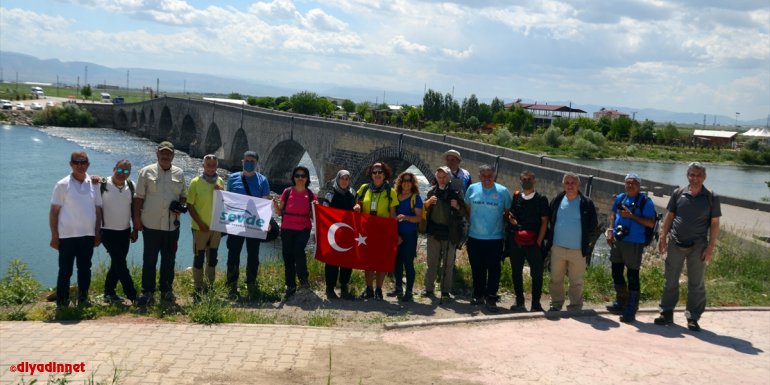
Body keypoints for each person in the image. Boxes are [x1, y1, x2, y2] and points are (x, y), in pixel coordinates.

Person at [655, 162, 721, 331]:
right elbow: (669, 217)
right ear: (687, 176)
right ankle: (666, 312)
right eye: (692, 174)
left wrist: (710, 248)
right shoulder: (678, 193)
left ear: (704, 177)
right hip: (676, 243)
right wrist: (663, 237)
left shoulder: (711, 197)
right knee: (670, 279)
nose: (695, 178)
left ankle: (693, 316)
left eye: (698, 175)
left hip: (698, 246)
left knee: (696, 283)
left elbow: (714, 224)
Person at [133, 141, 187, 306]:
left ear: (173, 156)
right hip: (151, 224)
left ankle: (166, 290)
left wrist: (180, 206)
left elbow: (183, 195)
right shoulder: (146, 172)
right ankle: (148, 292)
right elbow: (138, 198)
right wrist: (136, 220)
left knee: (169, 260)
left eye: (168, 153)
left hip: (172, 225)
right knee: (149, 260)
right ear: (157, 154)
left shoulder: (180, 173)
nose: (165, 156)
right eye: (162, 153)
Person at [49, 151, 102, 308]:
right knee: (65, 270)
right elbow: (54, 212)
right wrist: (54, 236)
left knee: (85, 269)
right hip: (67, 236)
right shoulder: (62, 184)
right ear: (70, 164)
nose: (80, 165)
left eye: (83, 162)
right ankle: (62, 302)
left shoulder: (94, 184)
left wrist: (97, 233)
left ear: (88, 164)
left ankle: (83, 299)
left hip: (87, 235)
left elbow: (98, 210)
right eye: (76, 162)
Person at [605, 173, 656, 323]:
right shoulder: (621, 197)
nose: (630, 186)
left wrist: (632, 216)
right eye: (627, 183)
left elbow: (651, 223)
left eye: (633, 183)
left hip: (634, 242)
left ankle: (632, 308)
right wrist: (610, 230)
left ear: (639, 186)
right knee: (616, 270)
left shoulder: (646, 202)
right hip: (618, 240)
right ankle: (621, 301)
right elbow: (613, 214)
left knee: (632, 274)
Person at [545, 172, 598, 312]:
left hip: (578, 250)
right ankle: (556, 304)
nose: (570, 185)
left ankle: (575, 307)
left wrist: (588, 244)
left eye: (573, 183)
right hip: (558, 248)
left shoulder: (586, 203)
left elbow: (593, 226)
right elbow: (550, 219)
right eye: (567, 183)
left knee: (576, 282)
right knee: (556, 279)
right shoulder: (557, 200)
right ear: (563, 185)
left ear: (578, 185)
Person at [464, 165, 511, 312]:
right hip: (474, 236)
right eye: (483, 176)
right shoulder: (472, 189)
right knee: (477, 268)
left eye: (490, 176)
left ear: (494, 176)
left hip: (495, 238)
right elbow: (467, 210)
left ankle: (491, 297)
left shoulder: (503, 191)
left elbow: (507, 212)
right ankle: (478, 295)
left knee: (494, 269)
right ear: (479, 176)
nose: (487, 179)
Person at [225, 150, 271, 300]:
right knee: (233, 253)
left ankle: (251, 283)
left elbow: (264, 203)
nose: (249, 163)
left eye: (252, 161)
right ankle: (232, 285)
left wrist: (266, 221)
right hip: (236, 223)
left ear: (256, 163)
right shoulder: (232, 178)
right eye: (247, 161)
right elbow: (227, 200)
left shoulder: (262, 180)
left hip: (253, 224)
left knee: (253, 255)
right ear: (242, 162)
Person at [353, 161, 398, 300]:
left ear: (385, 175)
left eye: (380, 172)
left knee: (381, 261)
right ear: (371, 175)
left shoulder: (390, 192)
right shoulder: (364, 188)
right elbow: (357, 203)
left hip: (383, 231)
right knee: (368, 261)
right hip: (367, 230)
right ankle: (369, 288)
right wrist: (357, 207)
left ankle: (379, 289)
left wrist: (393, 233)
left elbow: (393, 214)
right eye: (375, 172)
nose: (377, 175)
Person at [505, 170, 549, 312]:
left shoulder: (541, 199)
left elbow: (544, 221)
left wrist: (538, 242)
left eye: (529, 179)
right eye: (524, 179)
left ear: (534, 180)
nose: (526, 181)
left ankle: (536, 303)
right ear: (520, 180)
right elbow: (512, 215)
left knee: (537, 273)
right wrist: (511, 220)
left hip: (534, 242)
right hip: (516, 241)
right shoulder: (517, 196)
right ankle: (520, 301)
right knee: (516, 272)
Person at [422, 166, 465, 301]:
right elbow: (422, 208)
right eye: (439, 177)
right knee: (432, 263)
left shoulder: (456, 193)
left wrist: (457, 206)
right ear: (436, 178)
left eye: (444, 177)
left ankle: (446, 291)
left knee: (448, 264)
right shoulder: (431, 192)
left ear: (449, 178)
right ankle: (429, 289)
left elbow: (464, 212)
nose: (442, 179)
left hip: (450, 233)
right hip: (434, 232)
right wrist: (428, 203)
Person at [99, 159, 138, 305]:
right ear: (114, 168)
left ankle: (109, 293)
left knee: (116, 264)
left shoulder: (131, 185)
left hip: (125, 232)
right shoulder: (102, 184)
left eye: (126, 171)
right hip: (107, 232)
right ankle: (133, 296)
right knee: (121, 264)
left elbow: (134, 209)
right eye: (120, 170)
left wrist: (135, 229)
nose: (122, 174)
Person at [186, 154, 225, 300]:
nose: (211, 168)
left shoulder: (220, 180)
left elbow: (223, 203)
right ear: (203, 166)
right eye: (208, 165)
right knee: (199, 257)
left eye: (213, 165)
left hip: (215, 228)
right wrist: (201, 223)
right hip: (199, 227)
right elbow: (190, 205)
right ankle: (198, 286)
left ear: (217, 166)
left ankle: (209, 286)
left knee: (212, 257)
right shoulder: (195, 182)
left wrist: (221, 192)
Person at [275, 166, 316, 299]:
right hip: (287, 228)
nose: (300, 178)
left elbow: (313, 216)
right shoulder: (287, 192)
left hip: (303, 228)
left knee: (298, 250)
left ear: (307, 178)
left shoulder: (310, 195)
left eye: (303, 176)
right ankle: (290, 284)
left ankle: (303, 279)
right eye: (297, 176)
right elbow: (280, 212)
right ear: (293, 177)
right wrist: (275, 206)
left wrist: (317, 208)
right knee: (288, 256)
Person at [321, 170, 356, 300]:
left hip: (347, 233)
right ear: (338, 179)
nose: (344, 181)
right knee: (332, 261)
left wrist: (357, 209)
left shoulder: (352, 194)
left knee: (347, 261)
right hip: (333, 234)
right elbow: (324, 213)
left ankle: (344, 286)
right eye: (342, 178)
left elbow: (355, 214)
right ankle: (330, 288)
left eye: (347, 179)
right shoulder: (330, 195)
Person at [390, 171, 423, 302]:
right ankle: (398, 287)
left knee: (408, 263)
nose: (406, 183)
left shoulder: (415, 198)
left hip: (410, 235)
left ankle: (409, 291)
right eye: (404, 180)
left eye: (409, 181)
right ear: (400, 182)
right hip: (397, 234)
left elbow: (419, 218)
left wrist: (406, 217)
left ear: (412, 183)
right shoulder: (396, 196)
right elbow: (392, 214)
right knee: (396, 262)